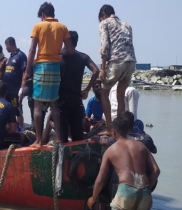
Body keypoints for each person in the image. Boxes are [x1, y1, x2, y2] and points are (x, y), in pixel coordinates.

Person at [22, 2, 74, 147]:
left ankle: (38, 140)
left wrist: (27, 72)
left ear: (43, 15)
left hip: (41, 66)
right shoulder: (62, 27)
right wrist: (58, 52)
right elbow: (70, 50)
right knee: (54, 105)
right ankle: (58, 138)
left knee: (37, 106)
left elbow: (32, 50)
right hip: (55, 67)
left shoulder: (38, 26)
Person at [87, 116, 160, 210]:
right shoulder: (141, 146)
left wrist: (93, 198)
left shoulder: (111, 150)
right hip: (144, 191)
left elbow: (100, 179)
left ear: (113, 132)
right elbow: (156, 170)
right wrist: (147, 189)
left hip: (126, 192)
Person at [97, 4, 137, 136]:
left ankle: (109, 129)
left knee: (103, 93)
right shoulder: (127, 24)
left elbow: (105, 46)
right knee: (121, 95)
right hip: (130, 61)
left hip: (117, 61)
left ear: (104, 14)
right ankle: (121, 130)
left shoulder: (105, 23)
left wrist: (103, 69)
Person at [58, 31, 100, 142]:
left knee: (62, 136)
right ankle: (78, 158)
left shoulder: (59, 57)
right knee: (78, 135)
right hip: (76, 100)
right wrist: (87, 89)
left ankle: (62, 158)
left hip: (61, 100)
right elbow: (96, 71)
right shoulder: (82, 57)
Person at [3, 37, 27, 128]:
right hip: (7, 90)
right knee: (8, 110)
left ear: (10, 44)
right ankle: (10, 128)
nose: (6, 48)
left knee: (17, 110)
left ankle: (21, 130)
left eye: (6, 46)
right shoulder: (11, 56)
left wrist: (22, 87)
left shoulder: (21, 55)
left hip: (15, 90)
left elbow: (25, 72)